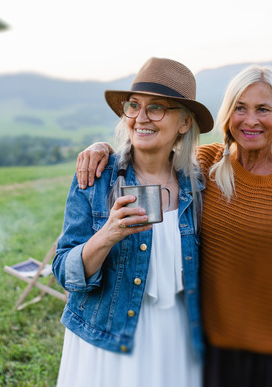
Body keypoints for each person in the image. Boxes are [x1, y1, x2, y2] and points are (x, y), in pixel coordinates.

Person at [75, 64, 272, 387]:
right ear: (228, 114)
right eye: (240, 108)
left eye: (263, 109)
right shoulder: (204, 166)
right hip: (215, 351)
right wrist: (102, 150)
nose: (250, 120)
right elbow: (150, 154)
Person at [53, 57, 215, 387]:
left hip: (177, 334)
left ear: (184, 123)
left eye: (157, 108)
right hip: (109, 336)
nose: (141, 118)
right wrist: (107, 235)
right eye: (134, 106)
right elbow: (64, 271)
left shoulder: (199, 184)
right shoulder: (96, 177)